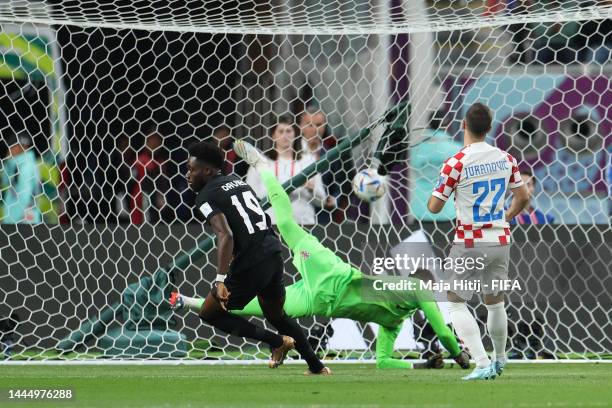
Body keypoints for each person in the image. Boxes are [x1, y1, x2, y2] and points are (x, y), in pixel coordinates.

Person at [171, 139, 471, 371]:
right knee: (285, 226)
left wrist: (423, 364)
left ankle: (188, 302)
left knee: (260, 309)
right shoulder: (416, 288)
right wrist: (457, 354)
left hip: (320, 296)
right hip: (332, 275)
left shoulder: (392, 323)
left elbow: (383, 361)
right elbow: (443, 333)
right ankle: (263, 165)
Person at [184, 140, 329, 375]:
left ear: (208, 171)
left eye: (192, 169)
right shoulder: (236, 181)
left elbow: (226, 234)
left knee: (210, 312)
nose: (188, 175)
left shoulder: (205, 196)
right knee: (277, 315)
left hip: (251, 262)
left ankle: (276, 341)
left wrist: (220, 279)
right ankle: (317, 366)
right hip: (272, 252)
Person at [428, 102, 530, 380]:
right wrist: (506, 216)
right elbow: (523, 197)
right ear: (489, 127)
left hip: (469, 241)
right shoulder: (506, 159)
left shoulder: (456, 162)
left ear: (464, 125)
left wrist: (441, 190)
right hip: (500, 240)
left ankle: (482, 363)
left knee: (456, 302)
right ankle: (499, 359)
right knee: (495, 303)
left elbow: (434, 207)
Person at [246, 114, 325, 225]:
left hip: (303, 223)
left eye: (289, 131)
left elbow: (322, 201)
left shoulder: (308, 161)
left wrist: (312, 189)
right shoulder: (260, 163)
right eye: (281, 131)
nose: (285, 135)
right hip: (272, 225)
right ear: (273, 135)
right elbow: (249, 198)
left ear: (295, 134)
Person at [298, 106, 355, 223]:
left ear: (325, 127)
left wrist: (334, 199)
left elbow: (339, 183)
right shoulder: (292, 153)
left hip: (322, 218)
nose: (314, 129)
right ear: (301, 126)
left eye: (318, 125)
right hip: (296, 215)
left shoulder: (331, 155)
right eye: (309, 124)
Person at [409, 111, 463, 222]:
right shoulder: (457, 149)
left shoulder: (416, 149)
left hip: (421, 211)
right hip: (449, 212)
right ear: (448, 125)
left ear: (429, 124)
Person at [1, 132, 41, 224]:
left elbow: (24, 197)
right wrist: (8, 163)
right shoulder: (16, 165)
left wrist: (10, 220)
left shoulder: (26, 167)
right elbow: (5, 181)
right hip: (18, 219)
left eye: (12, 146)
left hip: (22, 221)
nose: (9, 149)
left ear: (22, 147)